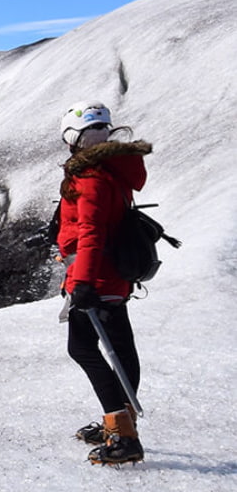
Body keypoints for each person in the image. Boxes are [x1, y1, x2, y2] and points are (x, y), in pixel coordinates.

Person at [56, 102, 152, 465]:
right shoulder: (109, 170)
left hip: (96, 276)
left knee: (82, 348)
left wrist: (82, 283)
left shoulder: (91, 177)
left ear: (72, 138)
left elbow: (91, 232)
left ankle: (122, 431)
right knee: (121, 347)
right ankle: (120, 421)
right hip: (111, 272)